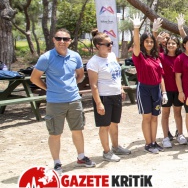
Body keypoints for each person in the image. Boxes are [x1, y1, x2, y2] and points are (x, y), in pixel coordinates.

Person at [31, 29, 96, 174]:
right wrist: (48, 89)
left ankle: (81, 157)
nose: (62, 41)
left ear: (70, 41)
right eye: (58, 38)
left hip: (74, 100)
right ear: (53, 40)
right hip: (55, 102)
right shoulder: (46, 58)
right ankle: (57, 163)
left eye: (65, 39)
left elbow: (80, 75)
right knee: (55, 133)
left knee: (77, 130)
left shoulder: (75, 56)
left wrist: (71, 86)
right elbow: (34, 78)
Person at [87, 30, 129, 162]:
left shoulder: (112, 56)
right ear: (98, 46)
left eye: (111, 43)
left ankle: (116, 147)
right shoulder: (94, 62)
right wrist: (99, 103)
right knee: (104, 125)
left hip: (115, 94)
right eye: (107, 44)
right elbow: (93, 85)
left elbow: (117, 75)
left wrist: (121, 88)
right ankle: (106, 152)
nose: (110, 46)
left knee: (114, 124)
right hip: (104, 97)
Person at [131, 14, 169, 154]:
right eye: (146, 41)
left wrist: (163, 92)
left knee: (154, 117)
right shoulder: (139, 56)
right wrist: (136, 29)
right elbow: (135, 45)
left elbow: (161, 76)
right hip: (144, 89)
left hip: (156, 90)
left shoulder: (156, 57)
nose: (149, 44)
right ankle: (148, 144)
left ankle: (154, 142)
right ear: (142, 43)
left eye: (151, 42)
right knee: (146, 117)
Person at [159, 35, 185, 148]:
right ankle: (165, 137)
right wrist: (163, 92)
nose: (171, 45)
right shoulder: (161, 56)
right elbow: (161, 76)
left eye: (173, 43)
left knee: (178, 113)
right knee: (165, 113)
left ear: (177, 45)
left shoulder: (180, 57)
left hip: (178, 90)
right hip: (166, 90)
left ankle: (180, 134)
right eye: (169, 43)